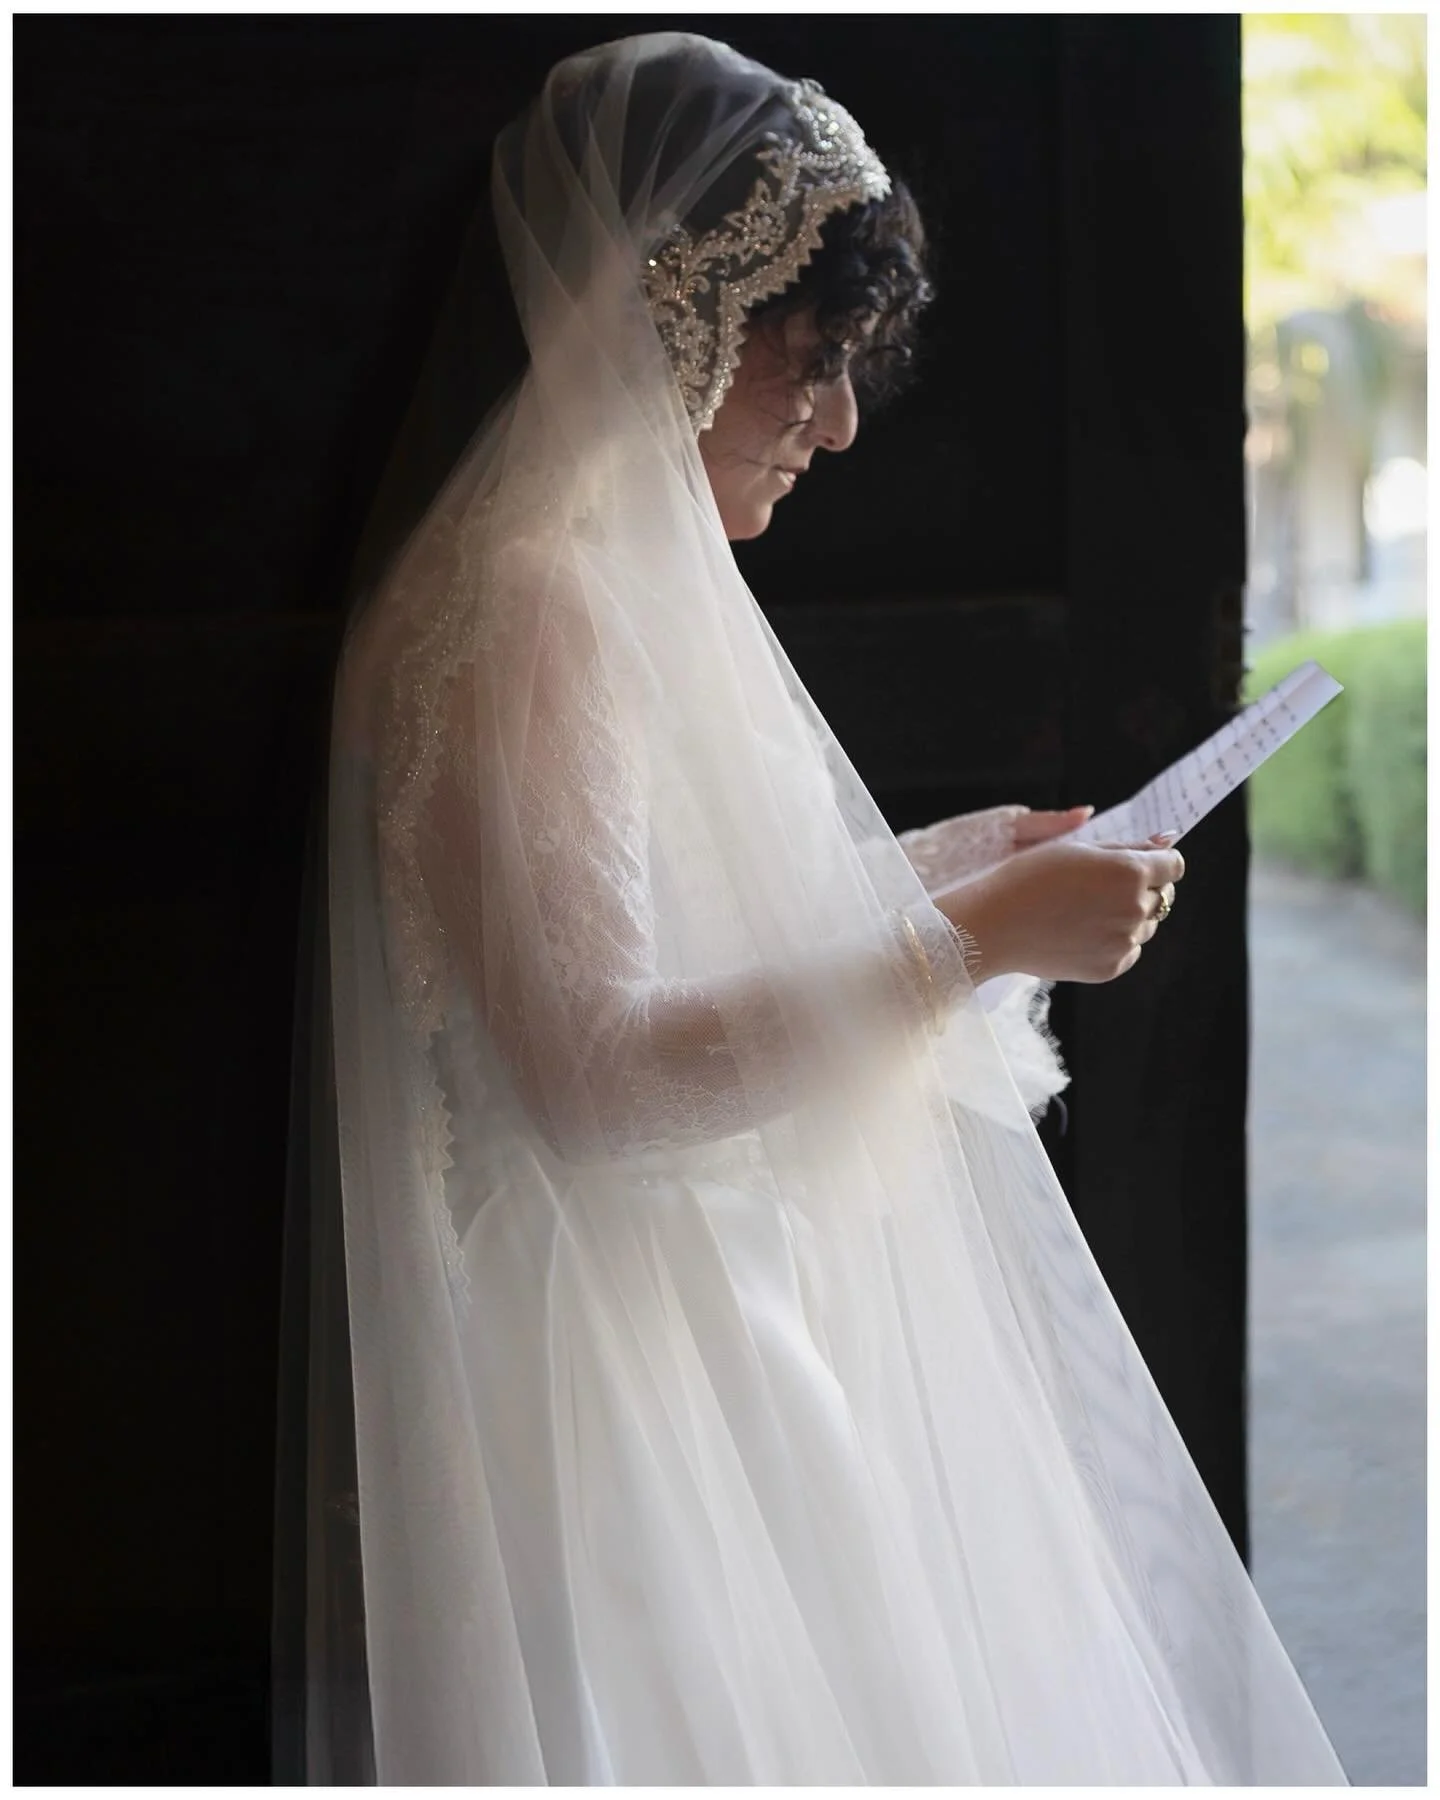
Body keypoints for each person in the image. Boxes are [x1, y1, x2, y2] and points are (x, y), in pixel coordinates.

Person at [277, 31, 1346, 1785]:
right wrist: (984, 945)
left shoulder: (584, 573)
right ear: (674, 317)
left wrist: (957, 862)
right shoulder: (539, 607)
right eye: (810, 356)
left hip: (687, 1307)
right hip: (627, 1383)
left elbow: (646, 925)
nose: (837, 419)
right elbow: (593, 1075)